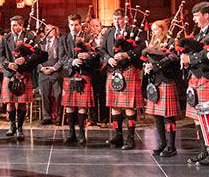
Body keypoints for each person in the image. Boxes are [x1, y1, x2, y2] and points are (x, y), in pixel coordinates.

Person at [181, 1, 209, 166]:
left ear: (206, 15)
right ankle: (204, 151)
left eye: (196, 15)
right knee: (197, 117)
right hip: (197, 76)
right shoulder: (199, 33)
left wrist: (190, 58)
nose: (194, 19)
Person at [102, 9, 146, 150]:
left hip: (128, 70)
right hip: (113, 71)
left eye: (119, 18)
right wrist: (108, 59)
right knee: (114, 106)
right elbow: (102, 50)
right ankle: (118, 135)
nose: (117, 21)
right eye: (115, 18)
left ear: (125, 19)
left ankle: (130, 138)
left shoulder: (135, 31)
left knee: (128, 106)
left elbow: (142, 47)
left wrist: (127, 54)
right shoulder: (109, 33)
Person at [0, 15, 47, 140]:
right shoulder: (6, 37)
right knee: (9, 103)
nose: (12, 27)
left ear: (21, 25)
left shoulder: (30, 36)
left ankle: (20, 128)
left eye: (15, 25)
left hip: (24, 74)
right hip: (9, 73)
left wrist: (25, 59)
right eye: (11, 25)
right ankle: (12, 126)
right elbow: (0, 56)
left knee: (21, 104)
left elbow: (39, 54)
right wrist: (8, 64)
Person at [60, 14, 100, 145]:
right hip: (70, 75)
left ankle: (82, 134)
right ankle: (71, 133)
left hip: (84, 74)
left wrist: (87, 55)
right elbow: (62, 57)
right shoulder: (64, 39)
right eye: (71, 24)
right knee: (70, 106)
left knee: (82, 106)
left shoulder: (88, 37)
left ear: (80, 24)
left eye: (76, 24)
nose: (73, 27)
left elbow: (97, 54)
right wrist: (72, 61)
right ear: (68, 25)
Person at [143, 19, 181, 157]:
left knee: (168, 116)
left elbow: (173, 57)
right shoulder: (152, 44)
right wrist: (147, 67)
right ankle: (162, 143)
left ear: (163, 29)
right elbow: (148, 60)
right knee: (157, 115)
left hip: (166, 80)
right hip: (154, 82)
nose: (153, 32)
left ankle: (171, 146)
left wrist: (156, 66)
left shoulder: (170, 42)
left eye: (156, 29)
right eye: (152, 30)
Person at [37, 25, 63, 125]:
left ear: (55, 31)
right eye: (46, 30)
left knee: (58, 95)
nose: (48, 32)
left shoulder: (60, 41)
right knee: (45, 95)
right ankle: (46, 116)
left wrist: (53, 68)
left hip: (56, 72)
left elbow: (61, 58)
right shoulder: (40, 43)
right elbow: (35, 57)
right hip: (43, 72)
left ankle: (59, 116)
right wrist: (41, 68)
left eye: (50, 30)